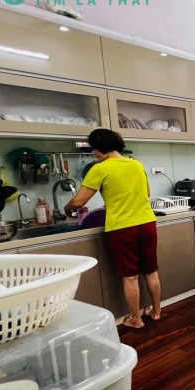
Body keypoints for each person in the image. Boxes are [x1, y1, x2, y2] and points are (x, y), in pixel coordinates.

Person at [64, 129, 161, 329]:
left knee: (130, 276)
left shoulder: (99, 168)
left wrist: (67, 208)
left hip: (122, 227)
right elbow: (146, 193)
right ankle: (157, 312)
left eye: (93, 149)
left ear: (99, 148)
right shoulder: (136, 164)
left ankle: (136, 319)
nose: (93, 153)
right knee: (151, 271)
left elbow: (79, 201)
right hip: (147, 223)